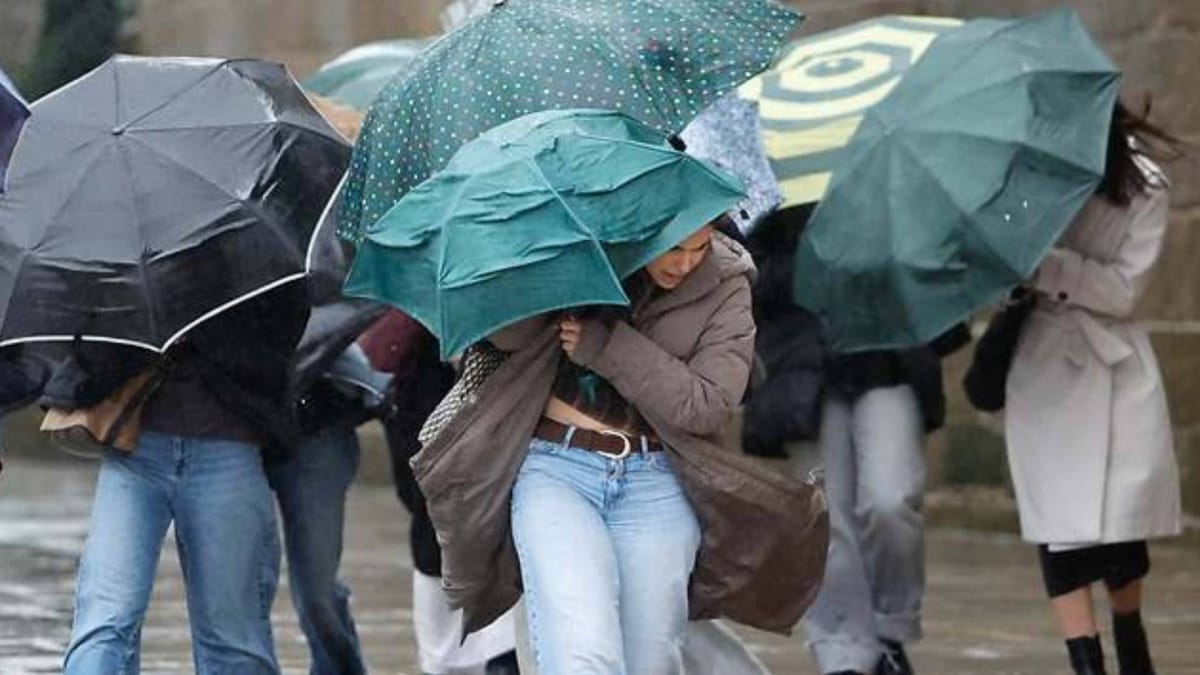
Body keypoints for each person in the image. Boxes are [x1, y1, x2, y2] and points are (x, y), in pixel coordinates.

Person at [1004, 100, 1183, 675]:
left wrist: (1048, 266)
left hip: (1112, 366)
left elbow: (1125, 292)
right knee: (1058, 528)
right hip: (1044, 366)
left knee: (1120, 530)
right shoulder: (1022, 176)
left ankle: (1131, 638)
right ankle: (1086, 663)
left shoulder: (1144, 181)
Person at [60, 281, 310, 674]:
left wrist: (197, 327)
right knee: (104, 623)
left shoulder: (255, 249)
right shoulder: (117, 249)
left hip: (229, 445)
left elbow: (284, 334)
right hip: (134, 452)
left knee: (232, 639)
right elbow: (84, 349)